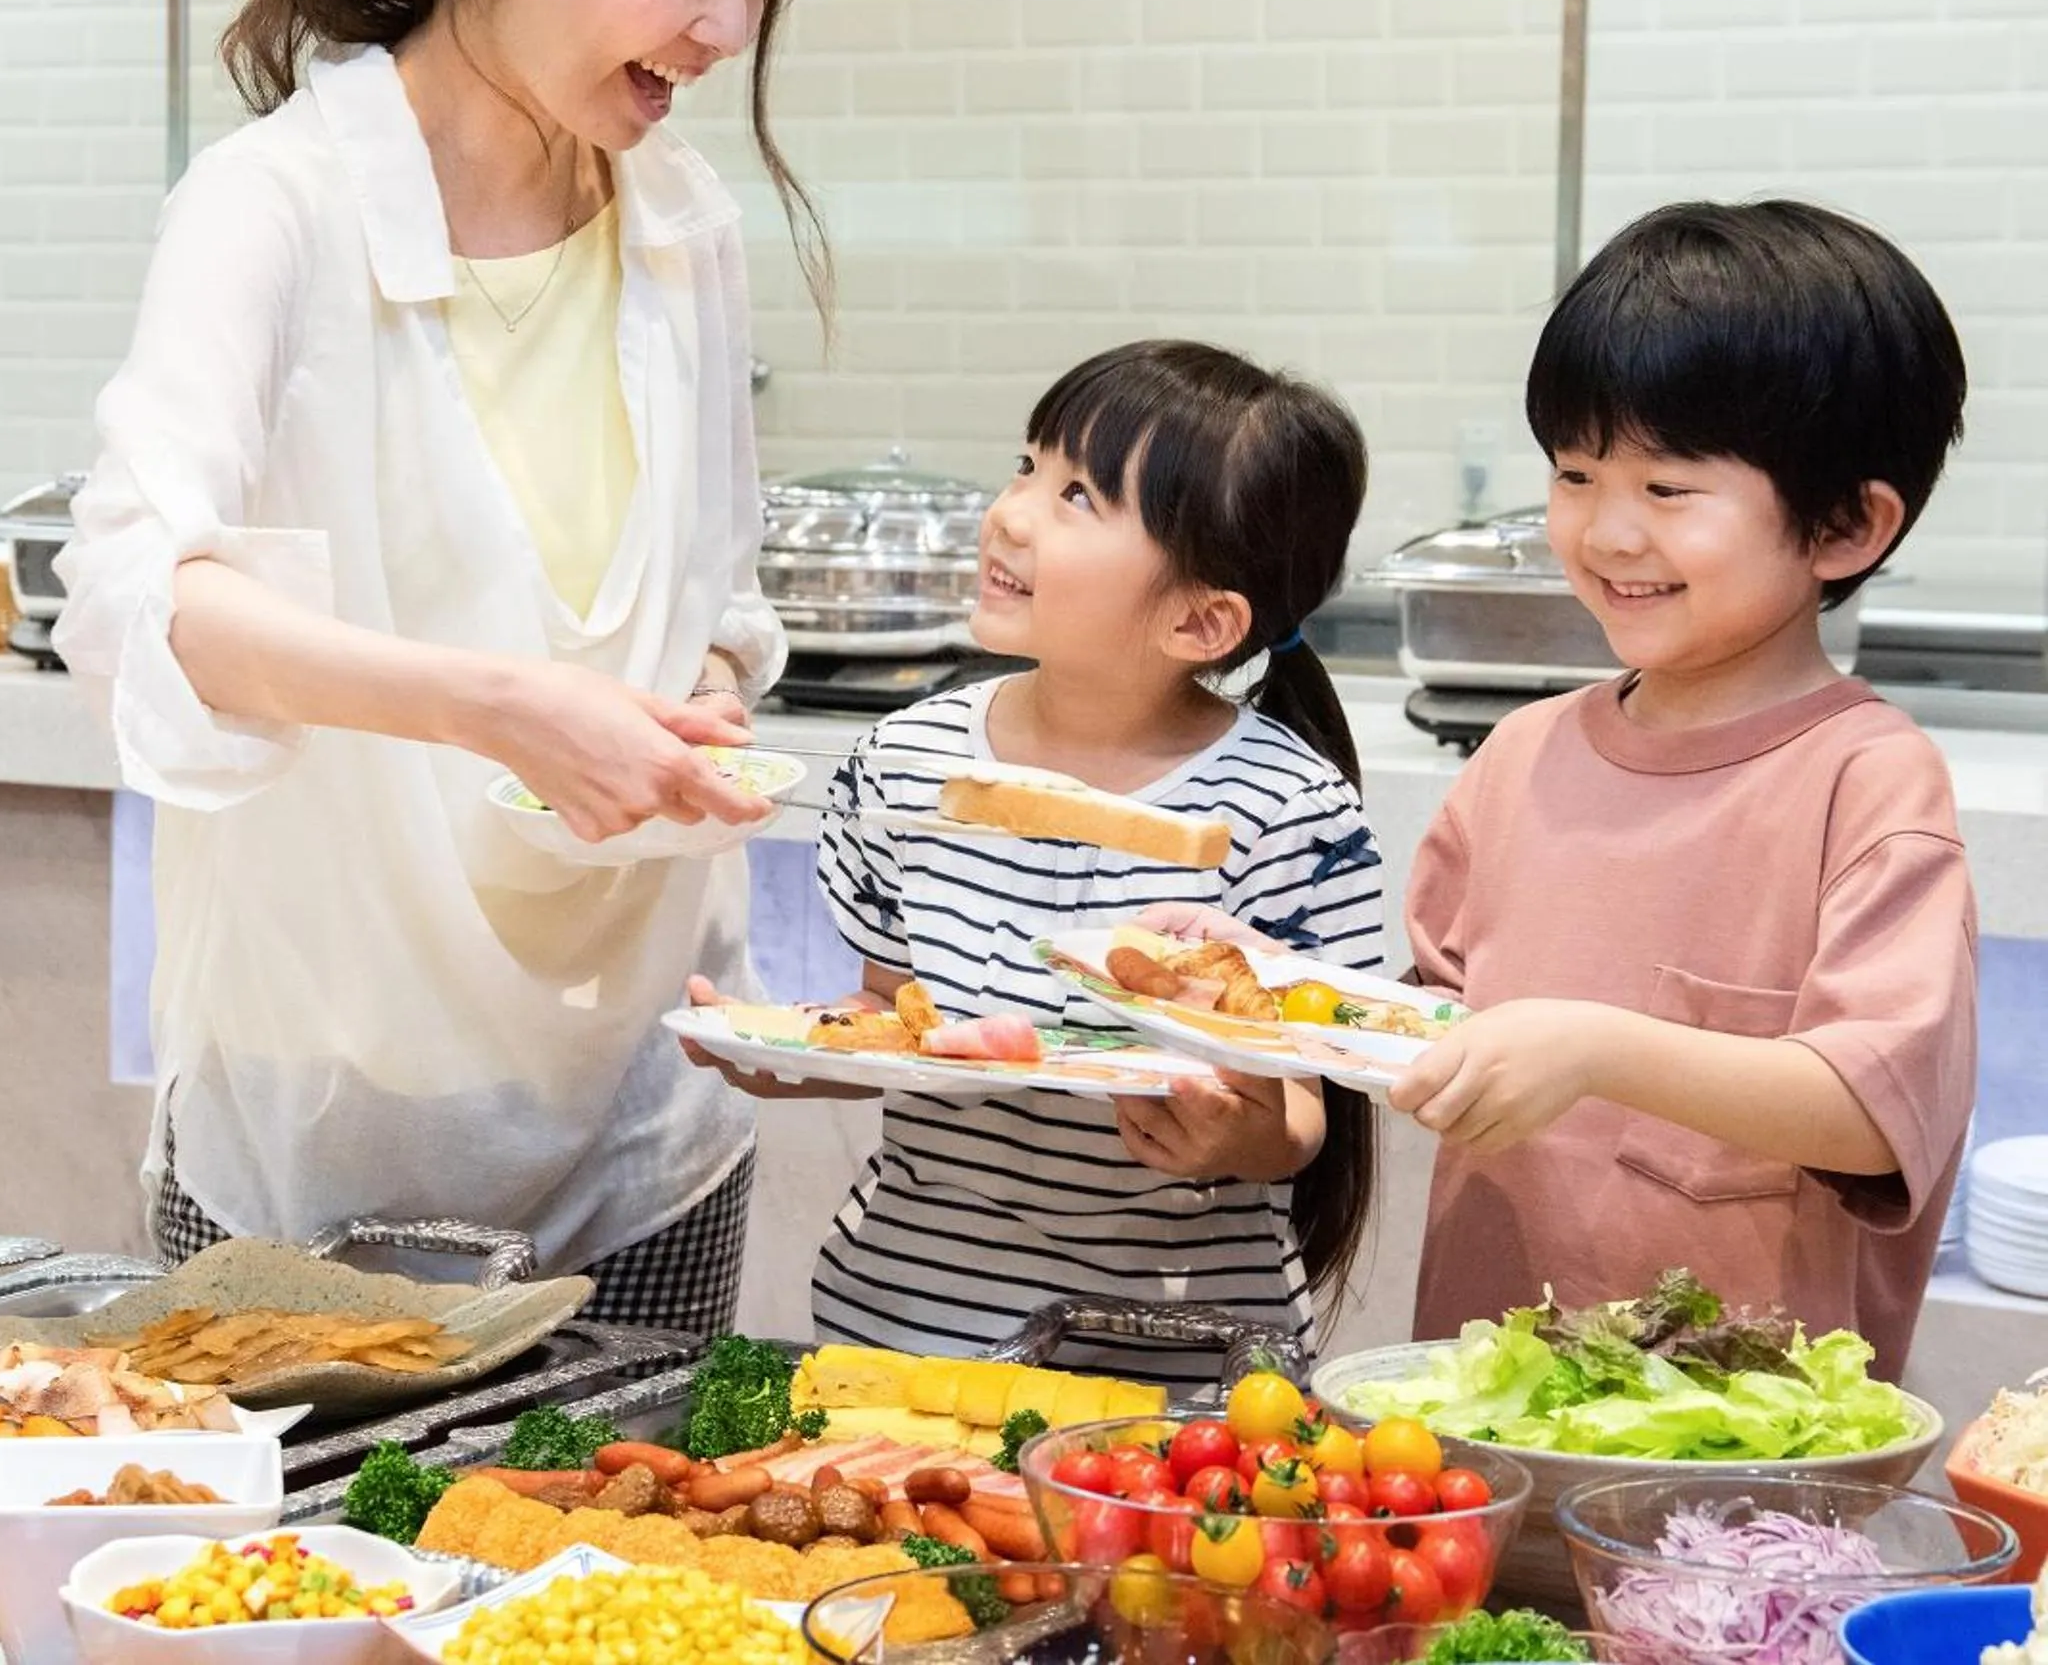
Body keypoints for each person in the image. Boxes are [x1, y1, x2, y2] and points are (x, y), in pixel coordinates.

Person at [52, 0, 844, 1333]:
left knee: (629, 1592)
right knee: (298, 1591)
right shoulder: (274, 207)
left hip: (647, 1121)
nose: (724, 26)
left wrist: (688, 708)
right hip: (324, 1127)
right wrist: (501, 709)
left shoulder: (686, 230)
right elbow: (133, 596)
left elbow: (715, 602)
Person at [689, 342, 1387, 1387]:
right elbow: (896, 1017)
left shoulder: (1290, 813)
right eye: (1028, 466)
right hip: (901, 1327)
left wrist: (1223, 1141)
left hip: (1172, 1372)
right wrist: (786, 1054)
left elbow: (1295, 1124)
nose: (1011, 513)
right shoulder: (908, 761)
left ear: (1202, 619)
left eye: (1077, 496)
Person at [1381, 199, 1975, 1378]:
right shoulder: (1518, 758)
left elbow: (1871, 1110)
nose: (1604, 531)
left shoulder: (1867, 780)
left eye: (1668, 491)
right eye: (1575, 472)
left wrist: (1598, 1049)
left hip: (1741, 1467)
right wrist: (1255, 998)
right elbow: (1421, 1024)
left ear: (1847, 525)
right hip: (1473, 1422)